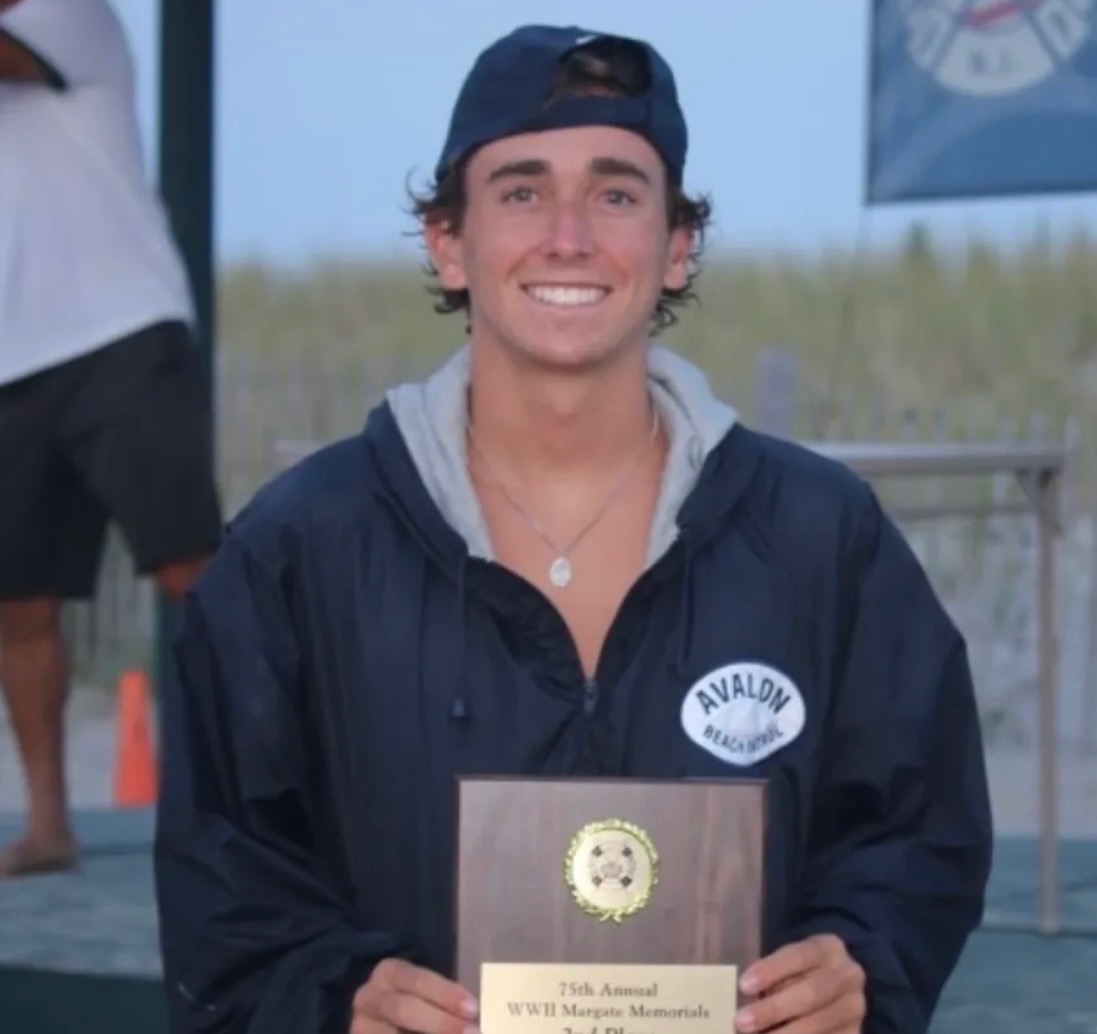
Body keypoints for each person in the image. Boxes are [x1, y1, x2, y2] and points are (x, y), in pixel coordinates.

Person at [153, 23, 993, 1034]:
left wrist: (857, 961)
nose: (567, 235)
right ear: (448, 244)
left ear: (676, 246)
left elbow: (916, 832)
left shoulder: (820, 536)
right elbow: (221, 876)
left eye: (615, 192)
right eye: (518, 190)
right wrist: (333, 997)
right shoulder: (298, 548)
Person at [0, 0, 223, 877]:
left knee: (191, 572)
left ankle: (296, 796)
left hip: (122, 332)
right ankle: (50, 825)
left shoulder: (73, 14)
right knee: (18, 606)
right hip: (12, 359)